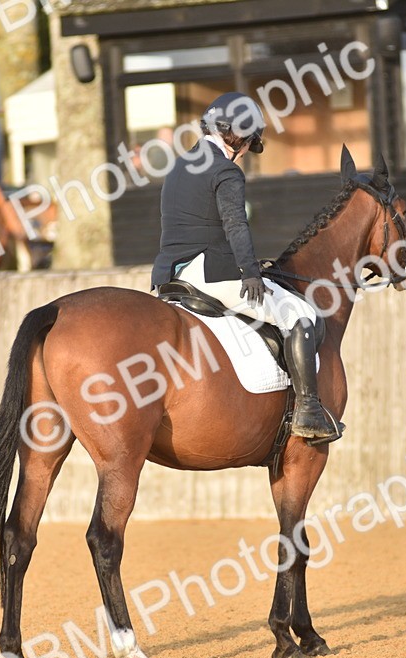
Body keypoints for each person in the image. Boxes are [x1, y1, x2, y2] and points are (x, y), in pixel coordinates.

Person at [151, 92, 340, 443]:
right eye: (250, 141)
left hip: (170, 276)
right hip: (210, 275)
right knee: (299, 313)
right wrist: (250, 272)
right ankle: (308, 412)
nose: (248, 150)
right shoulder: (226, 170)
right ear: (239, 137)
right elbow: (236, 225)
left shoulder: (180, 164)